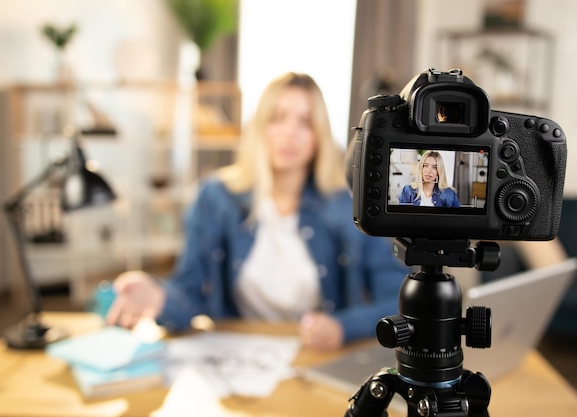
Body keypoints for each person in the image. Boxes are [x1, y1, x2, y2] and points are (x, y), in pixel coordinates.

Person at [106, 72, 408, 351]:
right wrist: (160, 298)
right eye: (278, 118)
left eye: (305, 122)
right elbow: (190, 290)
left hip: (314, 357)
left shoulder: (345, 205)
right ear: (259, 126)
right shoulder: (215, 198)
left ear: (319, 136)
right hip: (237, 355)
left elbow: (397, 298)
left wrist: (343, 328)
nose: (290, 133)